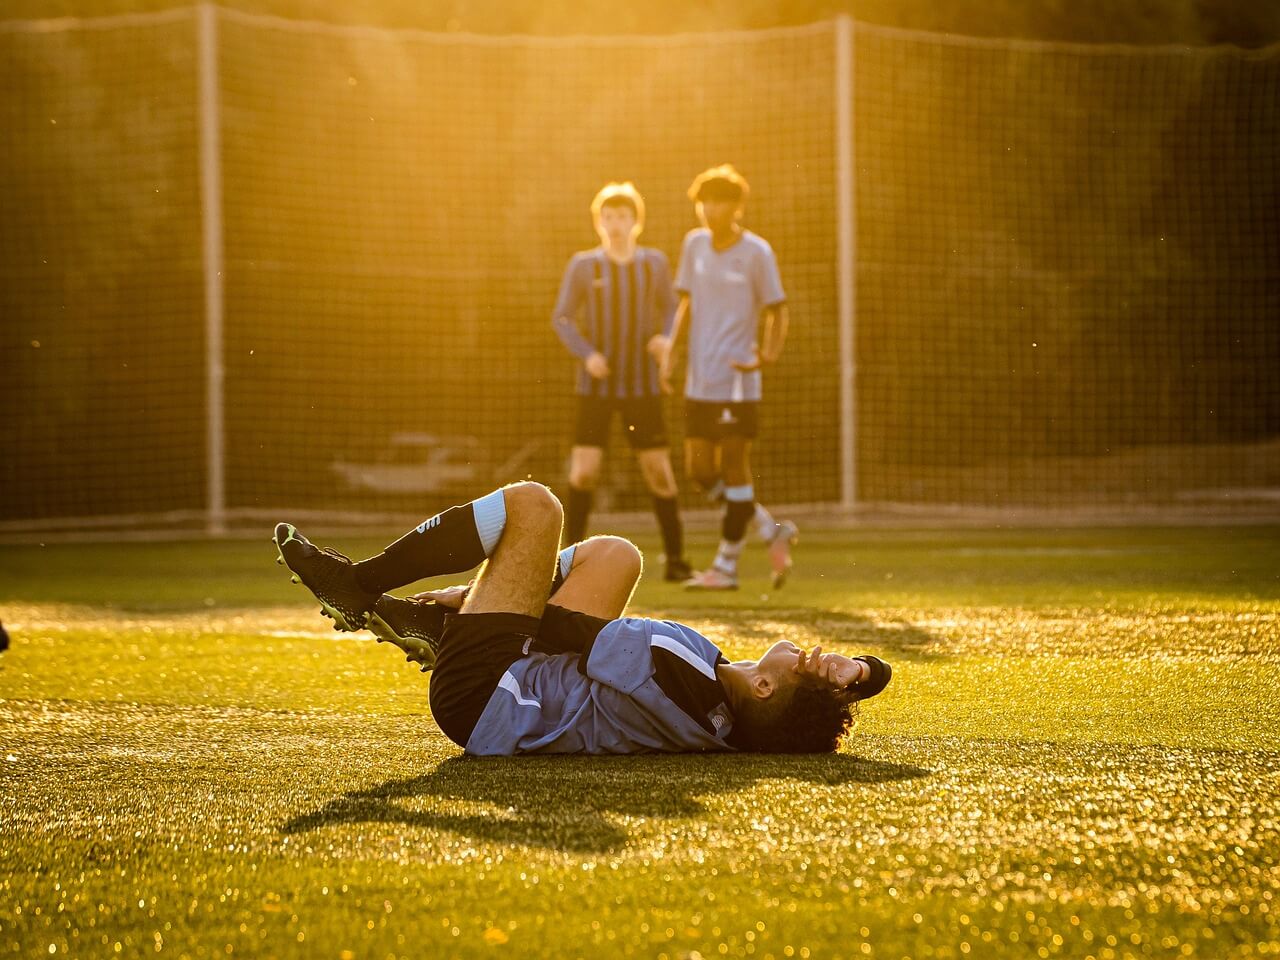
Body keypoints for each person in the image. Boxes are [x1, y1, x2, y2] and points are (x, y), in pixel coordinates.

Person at [272, 482, 890, 756]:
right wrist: (858, 672)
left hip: (482, 695)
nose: (811, 653)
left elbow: (562, 628)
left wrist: (475, 600)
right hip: (516, 688)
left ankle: (362, 585)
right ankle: (436, 627)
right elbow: (871, 675)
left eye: (806, 665)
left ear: (764, 686)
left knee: (535, 508)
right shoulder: (719, 707)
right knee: (619, 555)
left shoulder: (686, 676)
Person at [661, 164, 798, 591]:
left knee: (735, 467)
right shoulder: (694, 245)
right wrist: (669, 351)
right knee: (700, 470)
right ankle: (767, 527)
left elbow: (778, 309)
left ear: (736, 206)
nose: (709, 209)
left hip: (738, 381)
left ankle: (726, 567)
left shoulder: (757, 252)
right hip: (700, 381)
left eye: (719, 200)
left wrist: (767, 356)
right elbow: (685, 305)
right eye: (704, 200)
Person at [551, 182, 691, 582]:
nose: (615, 224)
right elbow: (561, 318)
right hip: (594, 389)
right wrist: (587, 354)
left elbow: (672, 310)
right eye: (608, 217)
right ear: (599, 222)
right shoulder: (583, 265)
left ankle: (677, 561)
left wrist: (666, 337)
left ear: (636, 222)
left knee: (659, 473)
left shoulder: (654, 264)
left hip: (642, 388)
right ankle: (566, 566)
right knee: (583, 474)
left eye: (623, 217)